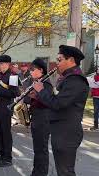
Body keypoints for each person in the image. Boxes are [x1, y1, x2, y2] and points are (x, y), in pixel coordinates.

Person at [33, 45, 89, 176]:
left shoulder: (76, 80)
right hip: (62, 131)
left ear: (71, 60)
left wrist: (41, 90)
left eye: (59, 60)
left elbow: (58, 103)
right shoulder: (69, 78)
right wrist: (38, 95)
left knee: (65, 172)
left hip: (66, 134)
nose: (56, 64)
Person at [25, 58, 52, 176]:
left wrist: (34, 97)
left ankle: (41, 173)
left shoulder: (46, 84)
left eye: (32, 69)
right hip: (37, 118)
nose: (30, 72)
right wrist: (29, 97)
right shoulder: (36, 83)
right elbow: (28, 99)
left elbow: (47, 101)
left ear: (41, 70)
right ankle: (36, 172)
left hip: (43, 119)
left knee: (41, 150)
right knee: (37, 149)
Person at [0, 55, 19, 167]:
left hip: (6, 106)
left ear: (8, 64)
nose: (0, 66)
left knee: (6, 133)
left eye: (2, 64)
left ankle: (7, 158)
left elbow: (14, 93)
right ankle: (1, 155)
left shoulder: (13, 76)